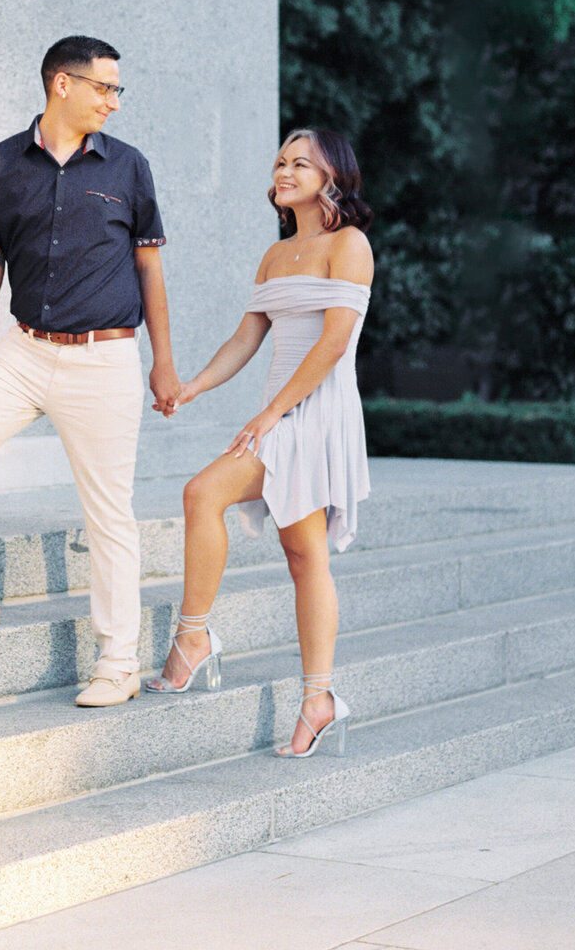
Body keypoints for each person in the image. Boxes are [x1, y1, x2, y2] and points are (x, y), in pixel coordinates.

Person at [0, 36, 181, 707]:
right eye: (104, 87)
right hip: (23, 351)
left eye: (117, 90)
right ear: (61, 85)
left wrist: (163, 362)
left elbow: (150, 268)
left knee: (110, 514)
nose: (113, 100)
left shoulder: (129, 167)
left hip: (105, 357)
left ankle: (118, 663)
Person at [146, 127, 373, 760]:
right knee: (256, 528)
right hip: (278, 415)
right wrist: (193, 386)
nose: (284, 170)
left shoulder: (349, 244)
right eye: (280, 161)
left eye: (301, 162)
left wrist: (272, 413)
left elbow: (332, 344)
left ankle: (298, 688)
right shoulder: (275, 257)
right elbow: (246, 340)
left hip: (316, 414)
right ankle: (223, 652)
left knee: (270, 534)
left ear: (333, 177)